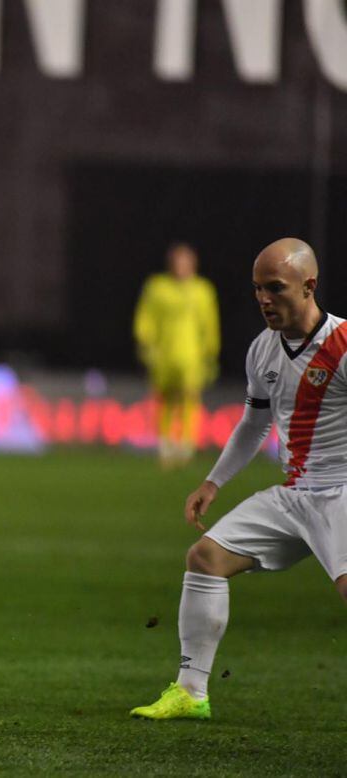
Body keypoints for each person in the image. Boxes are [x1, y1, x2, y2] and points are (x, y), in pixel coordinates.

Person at [131, 238, 347, 721]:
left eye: (275, 288)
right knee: (206, 558)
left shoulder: (343, 345)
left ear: (309, 286)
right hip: (295, 496)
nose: (264, 299)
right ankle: (191, 692)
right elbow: (255, 423)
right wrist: (212, 483)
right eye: (257, 289)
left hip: (342, 491)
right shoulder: (263, 350)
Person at [133, 243, 220, 468]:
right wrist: (145, 342)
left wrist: (211, 351)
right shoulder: (157, 287)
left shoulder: (202, 290)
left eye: (185, 262)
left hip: (192, 355)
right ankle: (165, 445)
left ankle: (186, 445)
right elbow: (146, 318)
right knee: (165, 398)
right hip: (163, 354)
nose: (181, 266)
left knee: (190, 397)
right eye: (177, 262)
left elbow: (209, 323)